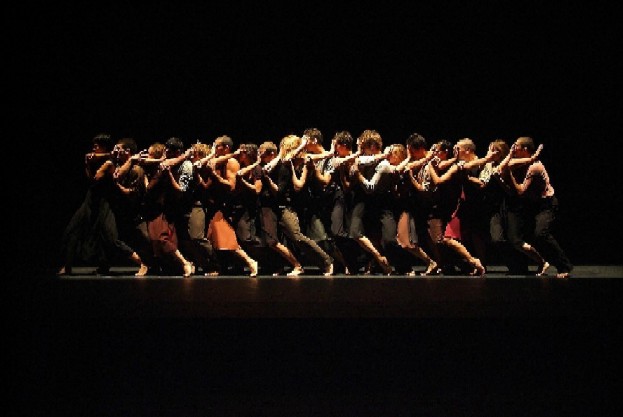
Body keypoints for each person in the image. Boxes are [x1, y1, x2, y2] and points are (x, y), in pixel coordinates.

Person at [57, 133, 149, 276]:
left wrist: (100, 163)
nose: (94, 147)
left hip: (105, 203)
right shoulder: (106, 160)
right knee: (73, 231)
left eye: (97, 145)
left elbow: (97, 179)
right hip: (90, 200)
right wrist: (88, 164)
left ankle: (142, 262)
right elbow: (90, 179)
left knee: (110, 238)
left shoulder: (111, 163)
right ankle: (68, 265)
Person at [262, 134, 334, 276]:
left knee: (297, 237)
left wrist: (328, 152)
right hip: (277, 205)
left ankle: (327, 262)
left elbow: (298, 185)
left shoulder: (302, 162)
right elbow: (281, 159)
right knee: (279, 240)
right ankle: (291, 266)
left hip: (289, 206)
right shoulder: (282, 161)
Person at [505, 137, 573, 278]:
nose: (513, 148)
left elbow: (521, 191)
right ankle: (540, 263)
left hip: (546, 204)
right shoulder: (525, 162)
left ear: (525, 149)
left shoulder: (535, 167)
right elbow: (509, 163)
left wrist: (509, 174)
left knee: (541, 233)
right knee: (524, 235)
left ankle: (564, 267)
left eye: (516, 146)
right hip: (533, 204)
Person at [199, 135, 259, 276]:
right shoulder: (219, 160)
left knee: (226, 237)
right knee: (211, 237)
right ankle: (220, 267)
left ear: (226, 147)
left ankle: (250, 262)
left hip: (226, 205)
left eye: (217, 145)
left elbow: (231, 186)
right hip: (216, 205)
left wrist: (215, 176)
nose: (214, 147)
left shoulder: (231, 162)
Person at [140, 140, 195, 277]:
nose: (148, 156)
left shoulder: (163, 168)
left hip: (162, 208)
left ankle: (185, 263)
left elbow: (150, 188)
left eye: (151, 154)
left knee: (162, 238)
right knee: (156, 239)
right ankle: (172, 266)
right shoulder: (155, 166)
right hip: (153, 208)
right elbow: (144, 161)